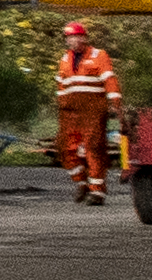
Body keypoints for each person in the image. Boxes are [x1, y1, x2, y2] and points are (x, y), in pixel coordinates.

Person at [50, 22, 120, 209]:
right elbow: (61, 85)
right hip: (71, 112)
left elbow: (109, 80)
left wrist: (115, 104)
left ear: (84, 37)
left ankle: (96, 191)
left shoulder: (99, 55)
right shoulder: (65, 59)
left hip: (93, 110)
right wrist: (62, 106)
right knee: (66, 148)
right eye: (69, 37)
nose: (72, 40)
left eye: (75, 36)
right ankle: (81, 182)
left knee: (93, 147)